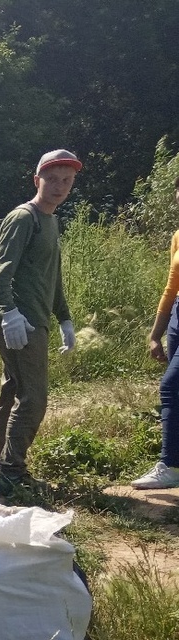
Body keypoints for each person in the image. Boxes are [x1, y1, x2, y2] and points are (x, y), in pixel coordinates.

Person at [0, 149, 81, 498]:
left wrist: (65, 318)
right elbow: (1, 269)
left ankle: (6, 468)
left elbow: (52, 276)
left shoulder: (50, 219)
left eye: (66, 180)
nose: (59, 186)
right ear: (36, 180)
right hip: (21, 322)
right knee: (34, 399)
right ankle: (11, 472)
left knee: (14, 390)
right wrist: (9, 313)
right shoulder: (23, 217)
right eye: (52, 179)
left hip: (36, 319)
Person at [131, 173, 179, 489]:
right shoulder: (178, 236)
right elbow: (171, 287)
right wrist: (154, 334)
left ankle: (170, 466)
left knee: (171, 386)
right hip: (177, 318)